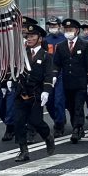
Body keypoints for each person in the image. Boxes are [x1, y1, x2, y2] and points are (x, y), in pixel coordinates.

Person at [12, 22, 56, 161]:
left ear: (40, 38)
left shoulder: (45, 56)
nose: (29, 38)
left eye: (33, 36)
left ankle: (47, 137)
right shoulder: (21, 54)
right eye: (28, 36)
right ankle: (23, 150)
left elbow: (49, 74)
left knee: (36, 121)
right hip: (21, 92)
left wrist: (46, 91)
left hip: (36, 93)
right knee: (18, 122)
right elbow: (15, 70)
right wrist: (9, 81)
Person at [53, 18, 88, 144]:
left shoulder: (85, 45)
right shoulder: (60, 46)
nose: (68, 32)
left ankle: (77, 128)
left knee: (78, 106)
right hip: (66, 82)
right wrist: (54, 76)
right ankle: (77, 126)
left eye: (70, 30)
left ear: (76, 31)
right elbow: (57, 64)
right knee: (70, 106)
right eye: (66, 30)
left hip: (81, 82)